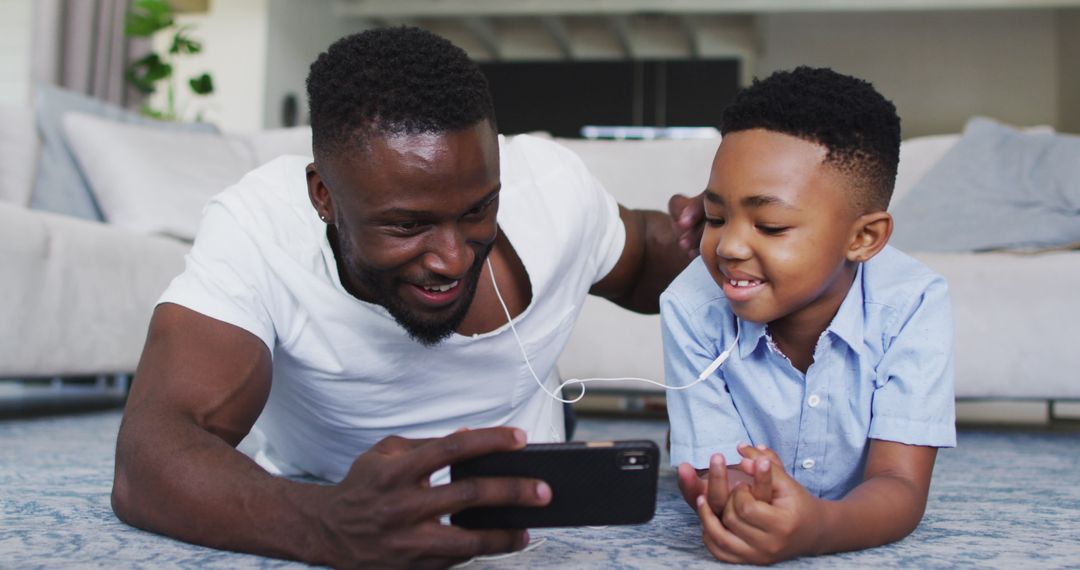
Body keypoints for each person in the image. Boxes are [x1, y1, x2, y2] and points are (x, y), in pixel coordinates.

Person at [111, 27, 702, 567]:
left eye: (477, 210)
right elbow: (150, 457)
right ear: (323, 196)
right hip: (323, 479)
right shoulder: (258, 225)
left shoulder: (552, 188)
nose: (452, 258)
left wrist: (731, 233)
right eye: (406, 225)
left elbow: (650, 255)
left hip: (532, 443)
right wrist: (324, 524)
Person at [661, 66, 956, 565]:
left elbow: (900, 483)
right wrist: (742, 500)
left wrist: (820, 528)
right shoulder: (690, 306)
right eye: (716, 217)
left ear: (863, 239)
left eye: (771, 226)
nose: (729, 245)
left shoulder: (914, 304)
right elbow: (718, 475)